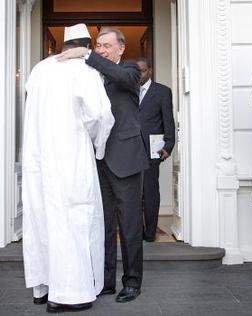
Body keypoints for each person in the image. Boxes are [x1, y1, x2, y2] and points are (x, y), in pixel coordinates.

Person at [21, 24, 114, 313]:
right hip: (70, 155)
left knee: (41, 220)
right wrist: (98, 147)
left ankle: (42, 286)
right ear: (84, 47)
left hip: (38, 158)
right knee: (74, 221)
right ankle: (70, 294)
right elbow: (100, 115)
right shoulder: (83, 70)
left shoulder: (39, 70)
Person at [57, 27, 149, 303]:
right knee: (103, 224)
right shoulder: (91, 75)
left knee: (129, 224)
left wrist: (86, 54)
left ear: (121, 48)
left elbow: (120, 76)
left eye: (107, 46)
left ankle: (132, 282)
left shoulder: (130, 70)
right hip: (95, 159)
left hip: (126, 158)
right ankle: (105, 280)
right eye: (97, 46)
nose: (101, 50)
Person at [136, 57, 175, 242]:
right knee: (133, 192)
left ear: (149, 70)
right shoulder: (129, 91)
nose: (139, 75)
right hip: (129, 148)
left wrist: (169, 145)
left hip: (152, 149)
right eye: (137, 72)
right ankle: (135, 231)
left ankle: (150, 232)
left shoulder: (162, 92)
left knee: (150, 191)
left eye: (142, 71)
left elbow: (168, 120)